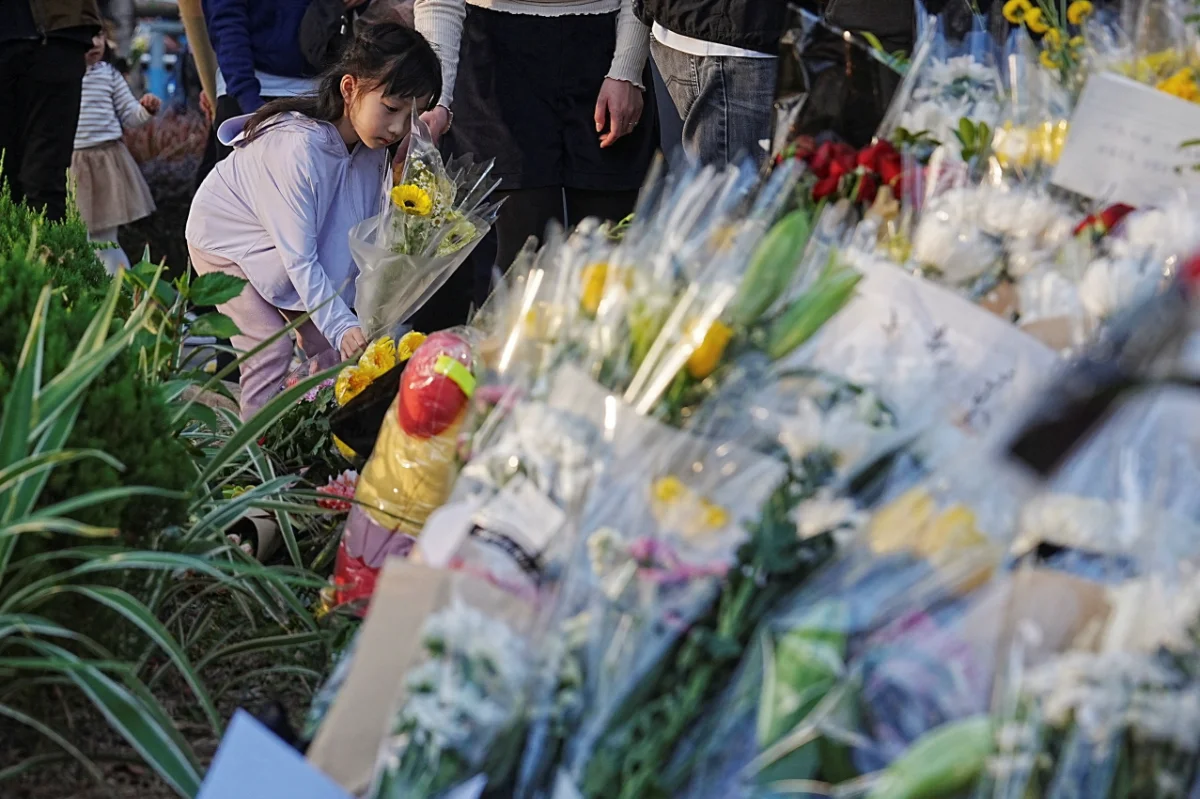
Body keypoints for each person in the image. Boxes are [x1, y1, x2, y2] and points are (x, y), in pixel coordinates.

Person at [185, 22, 442, 420]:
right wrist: (341, 326)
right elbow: (300, 259)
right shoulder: (298, 148)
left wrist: (359, 319)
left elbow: (361, 244)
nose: (397, 128)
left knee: (332, 348)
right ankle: (254, 460)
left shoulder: (374, 151)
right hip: (225, 241)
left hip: (286, 247)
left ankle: (315, 447)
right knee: (269, 349)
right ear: (349, 88)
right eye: (391, 108)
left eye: (413, 116)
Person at [414, 0, 657, 277]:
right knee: (521, 260)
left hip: (606, 47)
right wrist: (436, 98)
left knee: (609, 253)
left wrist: (627, 68)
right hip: (493, 61)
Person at [193, 0, 325, 190]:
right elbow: (227, 24)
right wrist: (248, 99)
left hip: (324, 94)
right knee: (238, 204)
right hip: (254, 93)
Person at [0, 0, 103, 222]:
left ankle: (43, 253)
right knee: (37, 181)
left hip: (58, 35)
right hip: (59, 34)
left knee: (44, 181)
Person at [71, 33, 161, 274]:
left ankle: (120, 293)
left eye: (99, 34)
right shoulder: (59, 75)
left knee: (104, 239)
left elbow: (130, 115)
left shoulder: (108, 74)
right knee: (77, 238)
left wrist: (145, 110)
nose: (95, 42)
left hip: (106, 160)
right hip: (73, 162)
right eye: (89, 34)